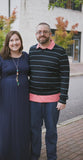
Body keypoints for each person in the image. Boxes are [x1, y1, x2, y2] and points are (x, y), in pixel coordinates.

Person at [29, 23, 70, 160]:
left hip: (53, 101)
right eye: (39, 31)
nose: (42, 34)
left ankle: (51, 157)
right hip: (33, 100)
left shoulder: (60, 51)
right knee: (34, 132)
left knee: (51, 131)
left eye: (45, 31)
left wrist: (62, 98)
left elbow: (65, 75)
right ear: (36, 34)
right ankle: (34, 156)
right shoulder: (32, 51)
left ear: (50, 34)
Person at [0, 30, 30, 160]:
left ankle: (22, 155)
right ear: (7, 43)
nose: (14, 43)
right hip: (6, 97)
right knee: (6, 126)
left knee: (22, 125)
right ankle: (7, 156)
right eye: (11, 40)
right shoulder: (1, 57)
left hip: (24, 97)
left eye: (16, 40)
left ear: (20, 41)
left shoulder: (26, 56)